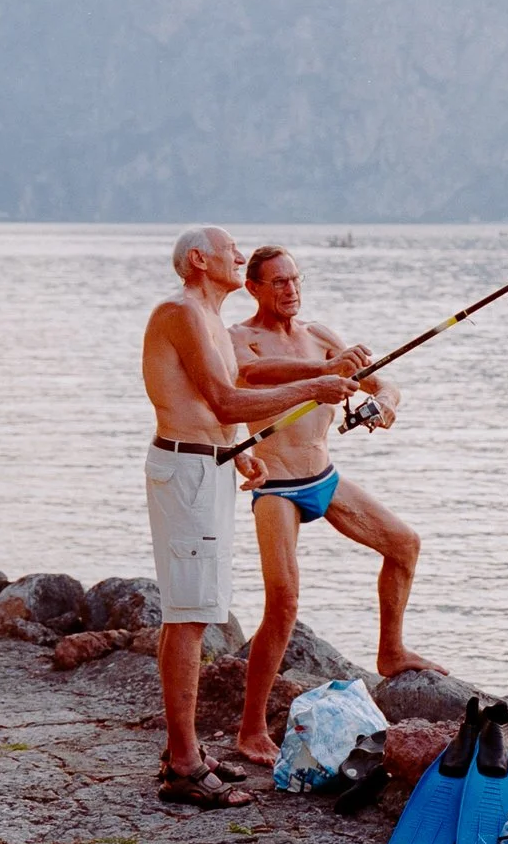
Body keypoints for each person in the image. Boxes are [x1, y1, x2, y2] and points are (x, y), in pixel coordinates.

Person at [141, 226, 359, 809]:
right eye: (230, 250)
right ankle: (184, 767)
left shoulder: (207, 316)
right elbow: (224, 399)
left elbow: (218, 405)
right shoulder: (181, 311)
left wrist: (243, 456)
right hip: (187, 470)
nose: (240, 255)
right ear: (198, 260)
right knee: (189, 615)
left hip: (207, 465)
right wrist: (316, 383)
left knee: (195, 609)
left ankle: (182, 750)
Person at [229, 245, 442, 765]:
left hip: (324, 475)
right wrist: (321, 374)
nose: (290, 290)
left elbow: (381, 380)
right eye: (277, 282)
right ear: (254, 287)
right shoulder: (239, 338)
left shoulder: (322, 336)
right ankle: (250, 728)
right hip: (275, 485)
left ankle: (390, 651)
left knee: (404, 544)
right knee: (283, 604)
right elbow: (253, 376)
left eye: (295, 280)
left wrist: (384, 403)